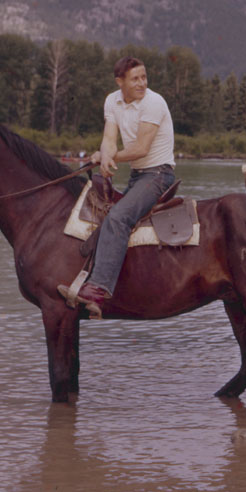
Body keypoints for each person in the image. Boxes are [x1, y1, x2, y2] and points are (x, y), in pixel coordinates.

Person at [75, 56, 177, 306]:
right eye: (135, 79)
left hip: (159, 174)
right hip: (138, 175)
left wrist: (108, 157)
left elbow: (141, 148)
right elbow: (109, 137)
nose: (142, 83)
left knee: (119, 217)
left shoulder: (154, 102)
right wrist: (105, 154)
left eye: (144, 77)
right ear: (120, 81)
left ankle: (99, 288)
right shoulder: (113, 100)